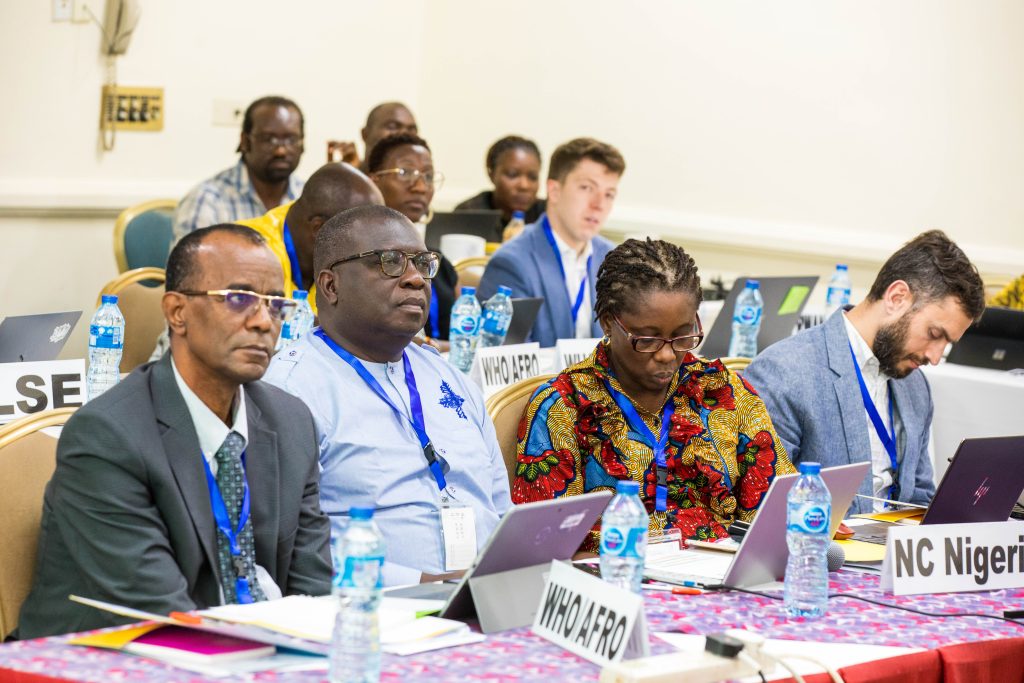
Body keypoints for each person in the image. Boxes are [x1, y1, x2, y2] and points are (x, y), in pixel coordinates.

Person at [18, 225, 332, 639]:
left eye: (276, 305)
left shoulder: (289, 422)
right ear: (177, 312)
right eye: (238, 299)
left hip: (266, 647)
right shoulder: (108, 436)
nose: (262, 322)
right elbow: (158, 613)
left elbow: (316, 594)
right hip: (120, 655)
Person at [263, 205, 511, 585]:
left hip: (488, 597)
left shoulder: (450, 377)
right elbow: (290, 546)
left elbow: (498, 506)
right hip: (381, 610)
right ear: (330, 286)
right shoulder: (290, 389)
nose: (415, 279)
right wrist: (422, 583)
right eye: (390, 262)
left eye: (422, 263)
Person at [513, 238, 795, 553]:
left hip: (722, 584)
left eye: (683, 336)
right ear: (609, 322)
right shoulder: (564, 406)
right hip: (615, 581)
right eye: (647, 340)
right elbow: (546, 548)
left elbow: (776, 510)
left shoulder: (724, 391)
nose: (666, 355)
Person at [744, 230, 986, 515]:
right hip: (823, 552)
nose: (934, 357)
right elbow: (758, 507)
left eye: (946, 344)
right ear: (897, 297)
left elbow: (920, 496)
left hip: (895, 552)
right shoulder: (784, 373)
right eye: (934, 333)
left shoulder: (915, 385)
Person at [478, 137, 625, 347]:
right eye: (586, 188)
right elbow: (512, 367)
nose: (599, 204)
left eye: (609, 194)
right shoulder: (512, 263)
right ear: (554, 191)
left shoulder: (616, 261)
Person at [237, 163, 384, 314]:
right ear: (320, 229)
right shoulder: (245, 250)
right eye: (364, 234)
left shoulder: (340, 260)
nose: (372, 247)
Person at [174, 96, 305, 242]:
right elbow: (190, 265)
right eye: (269, 139)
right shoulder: (207, 200)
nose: (281, 151)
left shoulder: (309, 198)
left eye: (291, 139)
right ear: (245, 141)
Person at [367, 133, 458, 343]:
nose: (420, 186)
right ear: (374, 180)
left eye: (428, 176)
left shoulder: (439, 263)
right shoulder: (363, 258)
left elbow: (467, 335)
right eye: (405, 172)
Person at [454, 135, 546, 230]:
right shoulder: (469, 214)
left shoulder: (548, 214)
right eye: (512, 174)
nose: (524, 186)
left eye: (533, 177)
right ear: (491, 174)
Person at [326, 101, 418, 173]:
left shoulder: (419, 185)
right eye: (392, 127)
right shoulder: (349, 174)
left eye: (411, 129)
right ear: (365, 134)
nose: (404, 134)